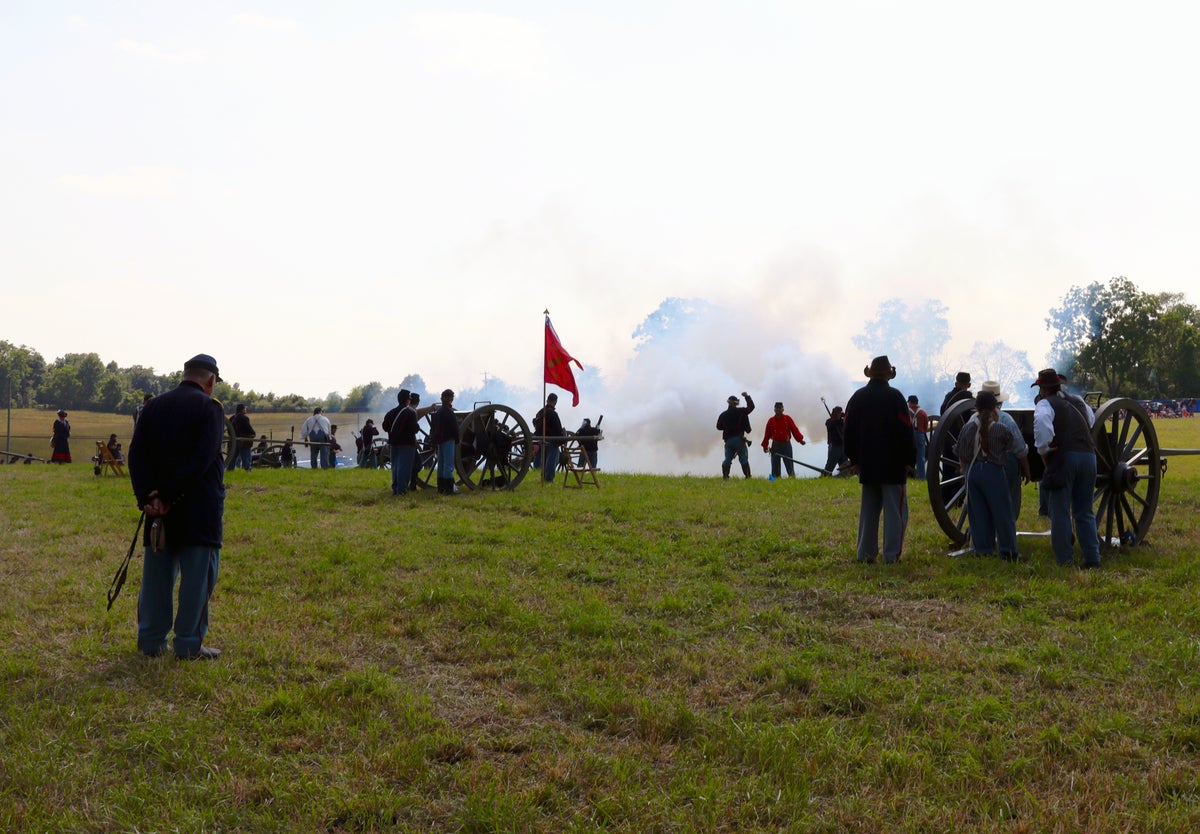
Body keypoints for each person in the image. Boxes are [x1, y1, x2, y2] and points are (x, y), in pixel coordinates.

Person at [127, 353, 226, 660]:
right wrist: (168, 495)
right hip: (198, 509)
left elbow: (136, 454)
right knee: (197, 580)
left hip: (158, 510)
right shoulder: (210, 408)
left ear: (184, 375)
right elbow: (203, 458)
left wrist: (148, 497)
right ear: (210, 381)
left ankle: (151, 641)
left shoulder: (153, 406)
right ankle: (187, 643)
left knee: (157, 578)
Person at [844, 355, 915, 564]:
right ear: (888, 374)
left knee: (869, 512)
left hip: (867, 463)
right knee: (895, 513)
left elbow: (848, 431)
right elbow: (906, 431)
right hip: (893, 464)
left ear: (871, 373)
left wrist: (854, 459)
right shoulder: (895, 398)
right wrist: (909, 460)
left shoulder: (857, 397)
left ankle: (865, 554)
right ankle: (891, 555)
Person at [1032, 368, 1101, 568]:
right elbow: (1090, 420)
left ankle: (1064, 559)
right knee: (1084, 511)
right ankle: (1092, 558)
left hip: (1063, 459)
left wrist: (1043, 449)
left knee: (1060, 511)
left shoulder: (1045, 404)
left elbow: (1043, 428)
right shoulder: (1078, 400)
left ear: (1043, 389)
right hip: (1088, 457)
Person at [955, 390, 1030, 560]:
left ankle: (982, 550)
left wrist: (965, 474)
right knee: (1003, 513)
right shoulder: (1001, 428)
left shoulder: (967, 428)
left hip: (973, 472)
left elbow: (962, 455)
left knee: (978, 513)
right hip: (994, 472)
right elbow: (1015, 448)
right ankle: (1008, 551)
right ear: (995, 408)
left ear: (976, 408)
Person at [977, 380, 1028, 521]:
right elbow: (1020, 449)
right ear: (999, 402)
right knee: (1009, 503)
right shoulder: (1007, 420)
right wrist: (1026, 470)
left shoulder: (972, 420)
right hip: (1004, 465)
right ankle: (1006, 531)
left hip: (978, 466)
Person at [382, 389, 418, 495]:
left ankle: (395, 488)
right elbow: (415, 428)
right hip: (407, 444)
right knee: (404, 467)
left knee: (395, 467)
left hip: (394, 443)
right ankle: (401, 489)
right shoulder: (410, 413)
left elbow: (385, 427)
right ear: (407, 400)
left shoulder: (390, 413)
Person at [716, 392, 755, 479]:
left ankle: (725, 476)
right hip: (739, 440)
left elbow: (718, 427)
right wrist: (747, 396)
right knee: (743, 459)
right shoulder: (741, 412)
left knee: (727, 459)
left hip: (728, 441)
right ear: (736, 403)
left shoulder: (723, 415)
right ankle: (748, 476)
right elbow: (751, 407)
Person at [761, 401, 806, 478]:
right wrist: (765, 446)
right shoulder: (771, 420)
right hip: (775, 445)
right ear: (774, 409)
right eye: (776, 408)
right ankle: (773, 482)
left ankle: (792, 480)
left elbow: (795, 430)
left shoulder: (787, 418)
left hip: (786, 445)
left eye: (780, 408)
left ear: (783, 409)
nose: (778, 409)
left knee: (790, 466)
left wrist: (800, 440)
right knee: (775, 467)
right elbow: (767, 435)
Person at [431, 388, 460, 494]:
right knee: (448, 465)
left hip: (440, 440)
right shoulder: (449, 411)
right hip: (448, 440)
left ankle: (441, 488)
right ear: (450, 399)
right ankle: (449, 489)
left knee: (442, 464)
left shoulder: (439, 411)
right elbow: (455, 428)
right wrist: (457, 440)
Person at [533, 393, 566, 481]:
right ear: (555, 402)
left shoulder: (540, 412)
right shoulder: (553, 414)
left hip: (541, 440)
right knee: (552, 461)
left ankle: (544, 477)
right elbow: (558, 429)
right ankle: (549, 479)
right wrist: (561, 437)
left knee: (544, 461)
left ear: (547, 400)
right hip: (551, 441)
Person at [227, 404, 255, 471]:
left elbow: (229, 430)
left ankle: (230, 470)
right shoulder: (244, 418)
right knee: (245, 456)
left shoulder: (232, 418)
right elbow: (249, 428)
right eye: (245, 408)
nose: (245, 410)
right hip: (243, 440)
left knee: (233, 456)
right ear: (242, 410)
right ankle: (248, 469)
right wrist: (253, 433)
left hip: (234, 440)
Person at [907, 395, 930, 479]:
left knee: (909, 456)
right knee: (921, 457)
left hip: (909, 436)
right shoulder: (922, 412)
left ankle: (909, 475)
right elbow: (926, 425)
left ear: (910, 402)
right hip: (920, 434)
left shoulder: (907, 412)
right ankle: (921, 477)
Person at [824, 406, 849, 475]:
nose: (838, 414)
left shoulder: (842, 422)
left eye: (839, 413)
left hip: (843, 446)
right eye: (837, 413)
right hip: (834, 447)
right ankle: (825, 477)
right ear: (833, 413)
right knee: (829, 466)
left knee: (845, 467)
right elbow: (832, 424)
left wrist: (844, 417)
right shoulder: (829, 421)